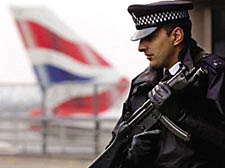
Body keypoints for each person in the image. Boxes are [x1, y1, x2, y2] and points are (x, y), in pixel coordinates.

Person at [108, 1, 225, 168]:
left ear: (176, 36)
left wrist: (182, 116)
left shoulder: (214, 76)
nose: (141, 47)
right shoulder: (142, 85)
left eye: (149, 37)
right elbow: (113, 154)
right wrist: (133, 157)